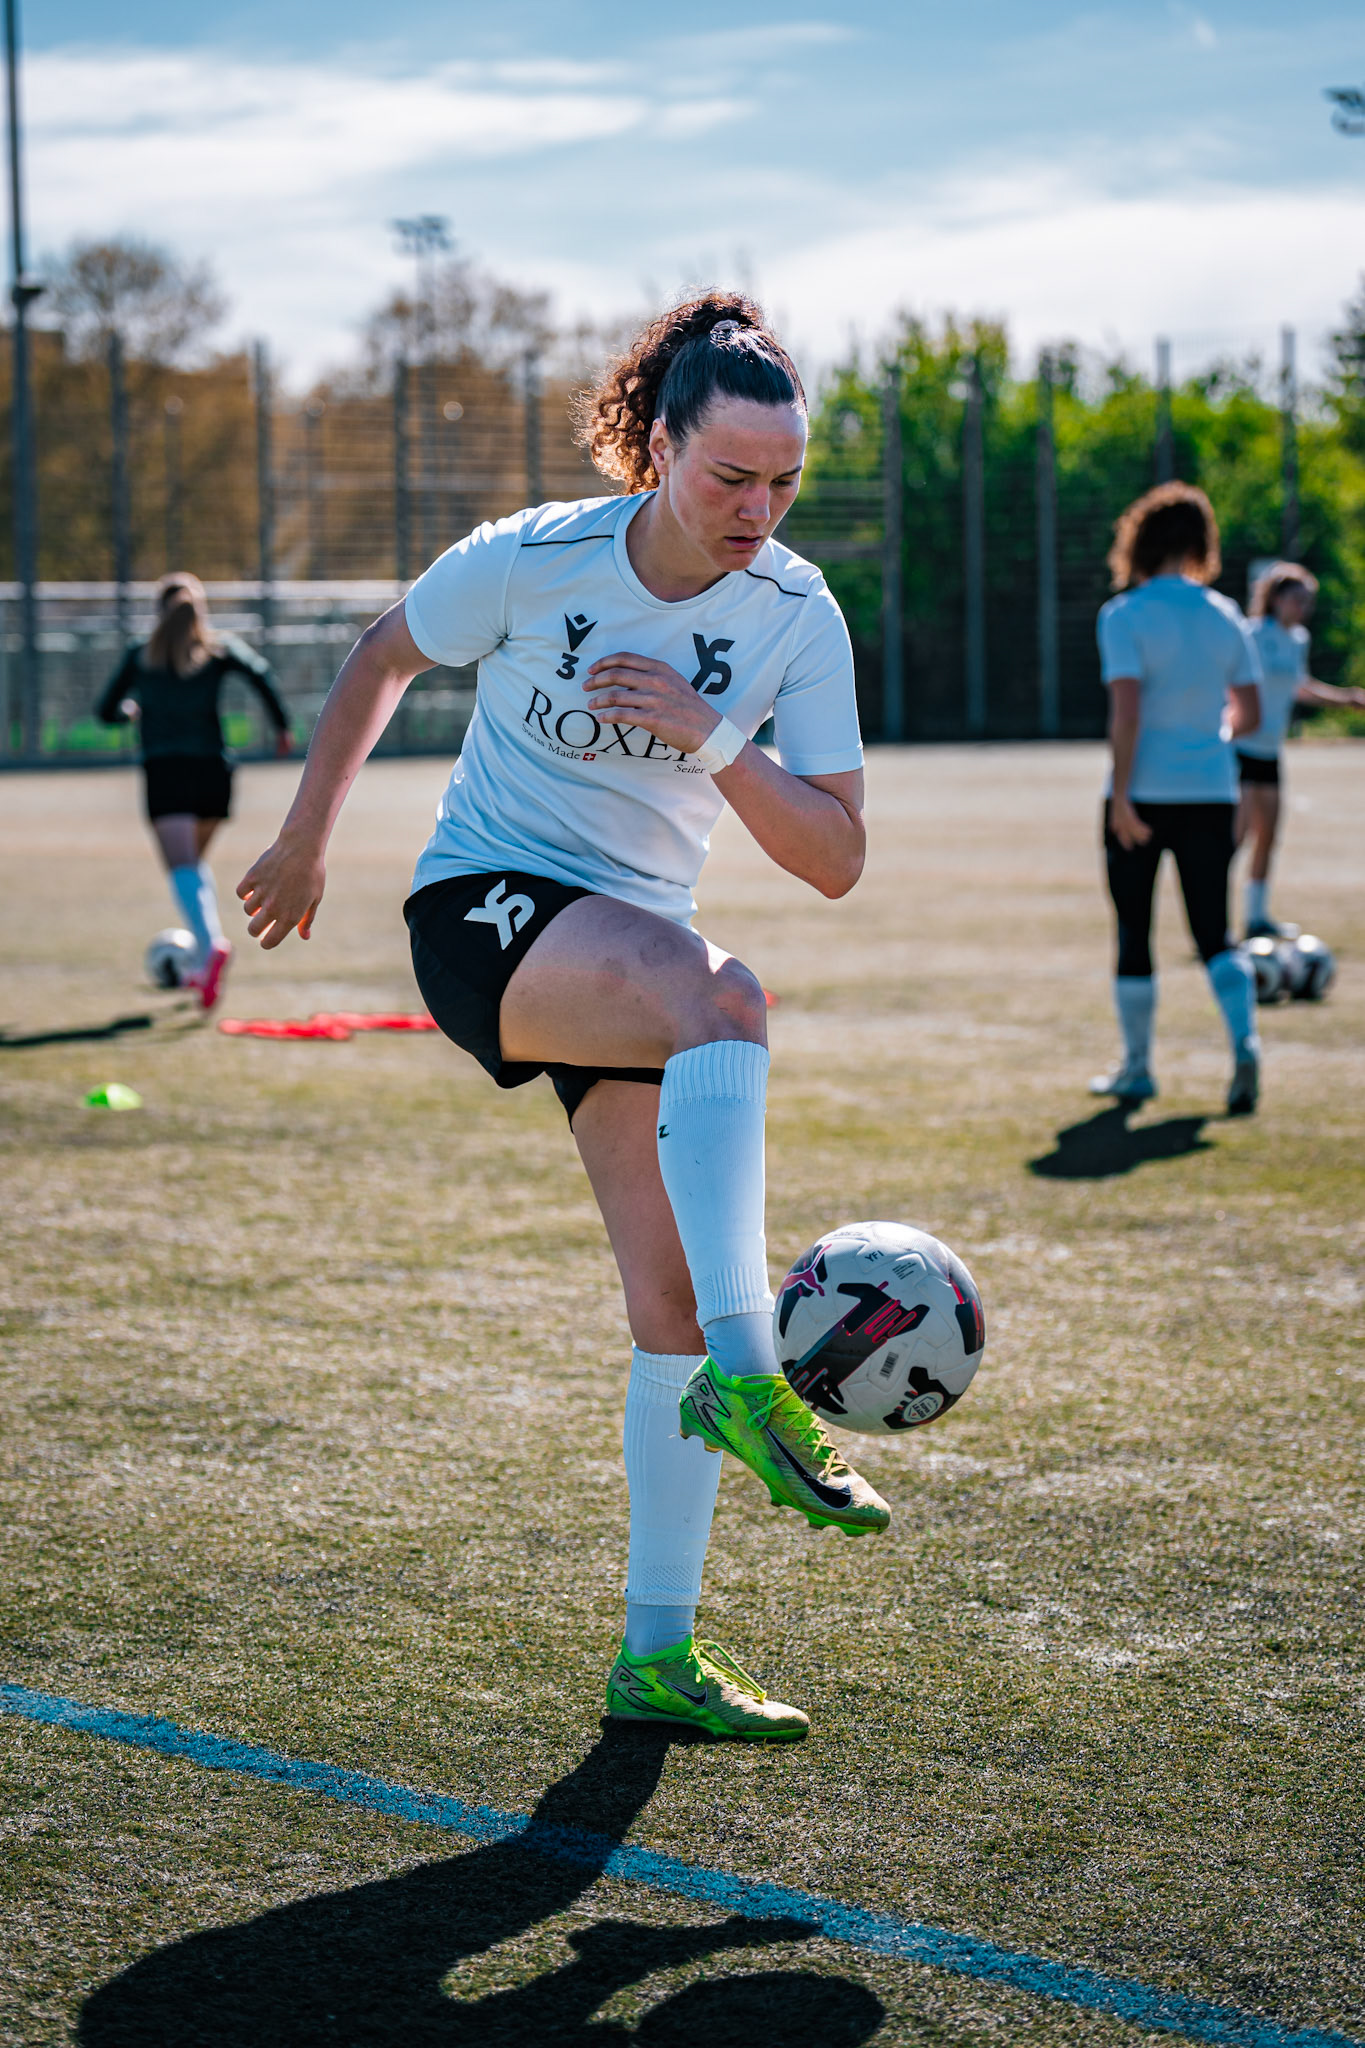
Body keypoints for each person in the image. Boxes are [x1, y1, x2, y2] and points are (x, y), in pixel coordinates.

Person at [236, 293, 887, 1743]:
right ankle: (756, 1377)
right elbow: (381, 654)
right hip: (484, 913)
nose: (757, 509)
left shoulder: (796, 613)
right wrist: (304, 840)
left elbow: (836, 858)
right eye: (730, 476)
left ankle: (658, 1652)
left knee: (669, 1300)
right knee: (724, 996)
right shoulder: (536, 558)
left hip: (621, 958)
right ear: (659, 449)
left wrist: (711, 737)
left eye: (784, 483)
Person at [1090, 482, 1264, 1116]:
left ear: (1139, 540)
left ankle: (1138, 1070)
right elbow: (1250, 714)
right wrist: (1209, 738)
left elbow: (1127, 714)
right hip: (1212, 792)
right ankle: (1245, 1043)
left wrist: (1122, 797)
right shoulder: (1225, 614)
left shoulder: (1125, 614)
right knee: (1215, 932)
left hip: (1143, 794)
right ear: (1201, 543)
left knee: (1135, 932)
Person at [97, 573, 292, 1009]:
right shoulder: (218, 649)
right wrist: (281, 725)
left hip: (167, 771)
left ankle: (210, 948)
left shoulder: (140, 654)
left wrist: (129, 712)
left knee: (182, 866)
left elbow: (105, 709)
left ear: (158, 612)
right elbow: (261, 673)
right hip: (213, 773)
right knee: (193, 866)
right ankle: (205, 965)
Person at [1238, 561, 1365, 939]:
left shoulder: (1298, 640)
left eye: (1307, 601)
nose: (1303, 608)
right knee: (1234, 838)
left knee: (1267, 836)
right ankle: (1213, 922)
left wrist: (1344, 699)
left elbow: (1299, 685)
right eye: (1297, 599)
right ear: (1276, 598)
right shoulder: (1251, 634)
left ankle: (1256, 918)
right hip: (1239, 749)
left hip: (1269, 750)